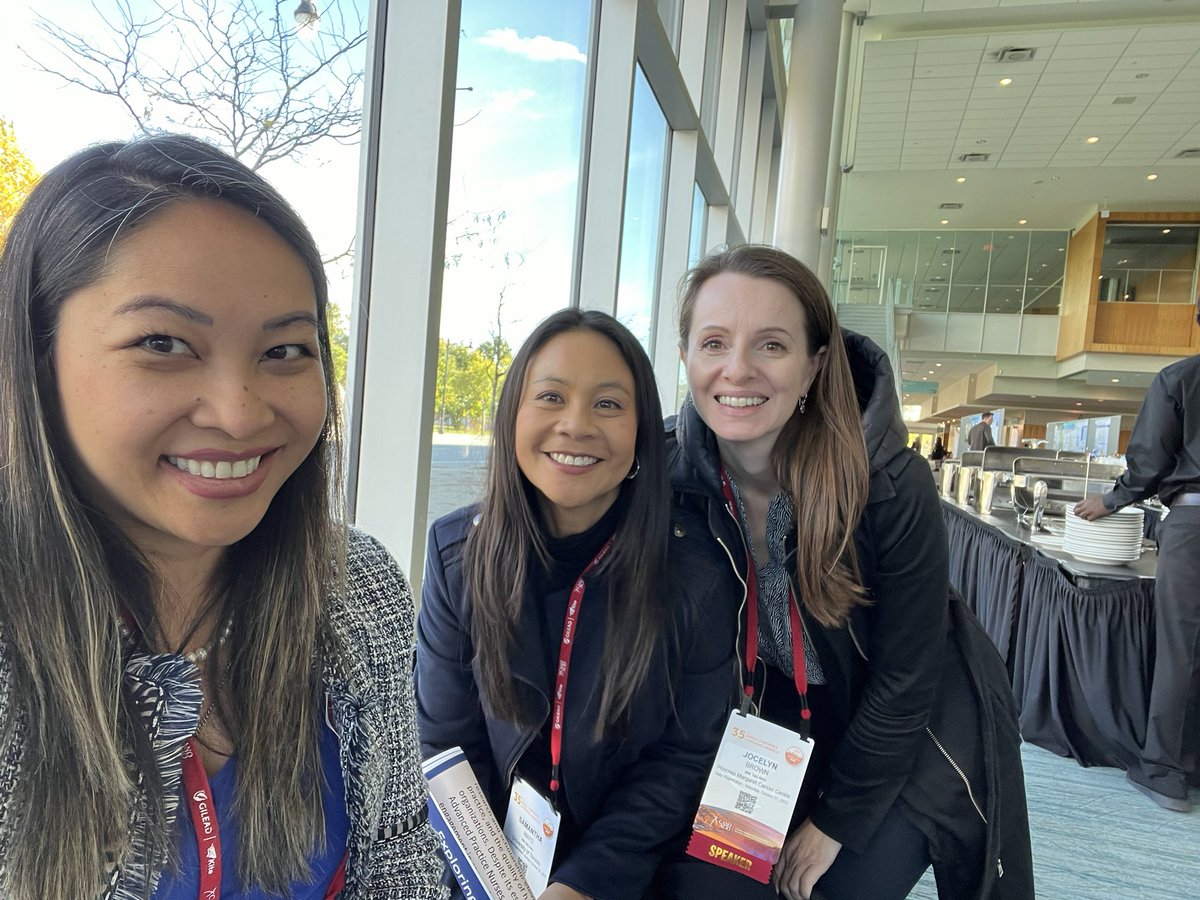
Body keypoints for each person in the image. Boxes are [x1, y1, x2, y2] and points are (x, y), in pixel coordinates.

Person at [0, 136, 446, 899]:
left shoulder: (357, 588)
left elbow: (399, 854)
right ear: (37, 358)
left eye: (285, 351)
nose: (240, 414)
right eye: (164, 343)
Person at [662, 245, 1033, 900]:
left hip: (901, 728)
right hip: (768, 726)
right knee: (708, 888)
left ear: (815, 365)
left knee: (834, 887)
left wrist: (836, 820)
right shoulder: (669, 476)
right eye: (713, 342)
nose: (737, 369)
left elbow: (906, 677)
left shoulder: (890, 484)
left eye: (771, 346)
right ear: (687, 357)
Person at [415, 309, 736, 900]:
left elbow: (683, 759)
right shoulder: (457, 554)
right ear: (513, 414)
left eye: (608, 405)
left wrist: (584, 883)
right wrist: (497, 881)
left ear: (642, 434)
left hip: (637, 853)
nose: (575, 425)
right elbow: (448, 746)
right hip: (493, 855)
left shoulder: (695, 574)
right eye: (551, 397)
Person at [1074, 302, 1200, 813]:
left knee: (1180, 647)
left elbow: (1149, 461)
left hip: (1193, 524)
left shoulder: (1180, 378)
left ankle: (1164, 771)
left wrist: (1111, 500)